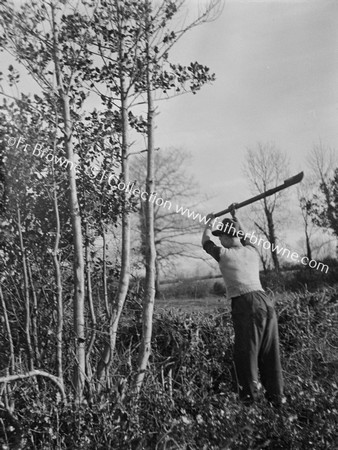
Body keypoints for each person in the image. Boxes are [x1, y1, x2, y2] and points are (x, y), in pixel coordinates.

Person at [201, 208, 285, 407]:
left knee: (246, 356)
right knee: (270, 355)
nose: (220, 240)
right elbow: (246, 236)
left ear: (230, 237)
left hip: (247, 304)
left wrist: (208, 223)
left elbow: (205, 242)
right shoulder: (252, 251)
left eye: (221, 236)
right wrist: (236, 216)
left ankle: (250, 404)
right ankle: (277, 402)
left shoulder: (224, 254)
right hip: (266, 302)